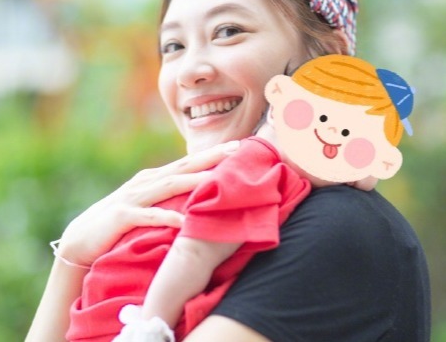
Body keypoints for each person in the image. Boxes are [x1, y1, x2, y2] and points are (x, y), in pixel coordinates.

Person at [26, 0, 431, 341]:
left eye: (228, 32)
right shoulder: (180, 228)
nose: (190, 71)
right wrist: (72, 258)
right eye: (173, 46)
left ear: (327, 59)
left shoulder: (339, 226)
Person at [109, 54, 416, 342]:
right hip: (128, 315)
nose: (332, 133)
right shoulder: (254, 168)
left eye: (351, 137)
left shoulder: (303, 188)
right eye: (322, 117)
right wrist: (149, 327)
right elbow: (193, 252)